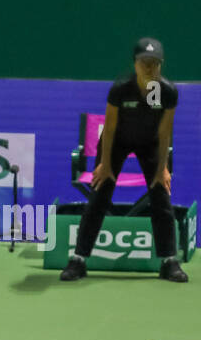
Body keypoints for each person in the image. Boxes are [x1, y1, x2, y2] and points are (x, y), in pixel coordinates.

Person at [62, 38, 187, 282]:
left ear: (161, 65)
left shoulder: (163, 92)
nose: (149, 68)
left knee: (161, 195)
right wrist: (105, 164)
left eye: (155, 63)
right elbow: (108, 128)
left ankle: (169, 261)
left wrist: (161, 169)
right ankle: (78, 260)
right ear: (135, 64)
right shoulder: (121, 88)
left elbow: (164, 132)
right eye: (144, 63)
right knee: (99, 193)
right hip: (116, 143)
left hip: (149, 143)